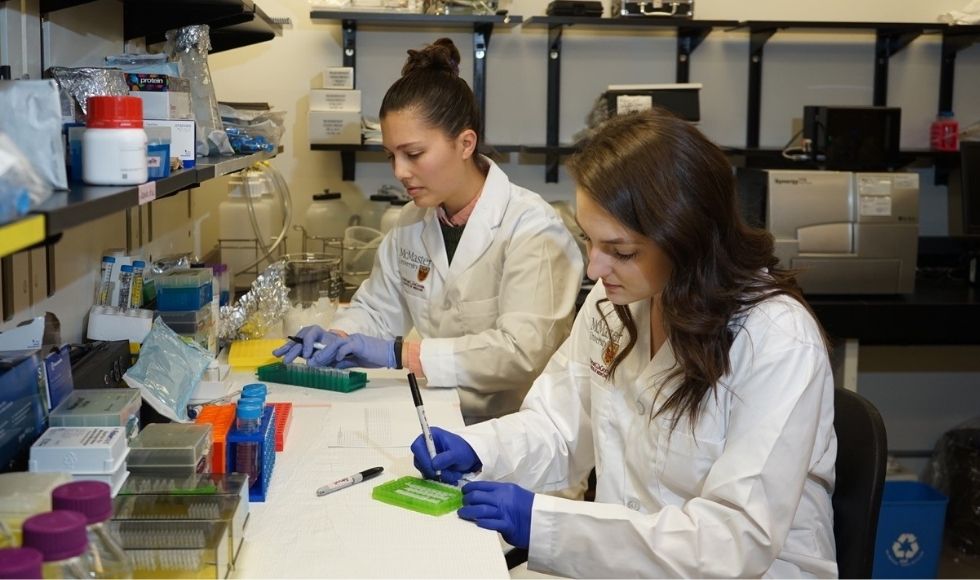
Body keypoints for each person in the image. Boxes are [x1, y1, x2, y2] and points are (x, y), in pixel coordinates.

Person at [410, 108, 838, 577]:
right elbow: (560, 425)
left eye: (621, 251)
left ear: (686, 238)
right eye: (589, 241)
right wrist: (481, 449)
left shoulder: (776, 340)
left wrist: (548, 525)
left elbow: (734, 540)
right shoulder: (616, 300)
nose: (594, 269)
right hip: (619, 561)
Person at [275, 38, 584, 423]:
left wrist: (399, 354)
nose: (400, 172)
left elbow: (520, 352)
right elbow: (377, 308)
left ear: (465, 143)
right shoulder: (411, 222)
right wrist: (337, 338)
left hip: (521, 435)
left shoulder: (533, 230)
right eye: (391, 156)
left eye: (414, 154)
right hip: (441, 418)